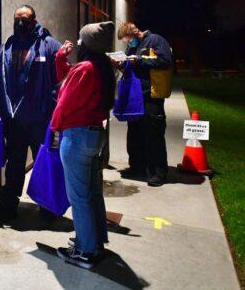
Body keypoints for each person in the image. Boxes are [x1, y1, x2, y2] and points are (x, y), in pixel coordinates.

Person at [51, 21, 116, 269]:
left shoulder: (85, 69)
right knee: (91, 193)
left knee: (78, 197)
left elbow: (64, 102)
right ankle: (94, 242)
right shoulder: (101, 68)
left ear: (87, 44)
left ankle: (86, 251)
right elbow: (69, 78)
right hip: (93, 134)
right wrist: (60, 58)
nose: (77, 43)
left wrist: (55, 128)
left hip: (77, 136)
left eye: (80, 39)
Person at [0, 5, 62, 223]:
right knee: (14, 165)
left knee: (44, 164)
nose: (20, 22)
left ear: (34, 20)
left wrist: (54, 113)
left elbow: (60, 82)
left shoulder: (49, 46)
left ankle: (47, 207)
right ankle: (8, 206)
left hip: (41, 120)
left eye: (25, 18)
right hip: (15, 120)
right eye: (17, 18)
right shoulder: (7, 46)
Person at [117, 22, 173, 187]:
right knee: (135, 134)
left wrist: (140, 60)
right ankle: (137, 167)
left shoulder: (155, 40)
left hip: (151, 96)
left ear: (135, 33)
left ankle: (158, 173)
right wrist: (121, 63)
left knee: (153, 134)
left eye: (128, 39)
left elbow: (165, 61)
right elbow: (130, 65)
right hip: (135, 96)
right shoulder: (132, 48)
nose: (128, 43)